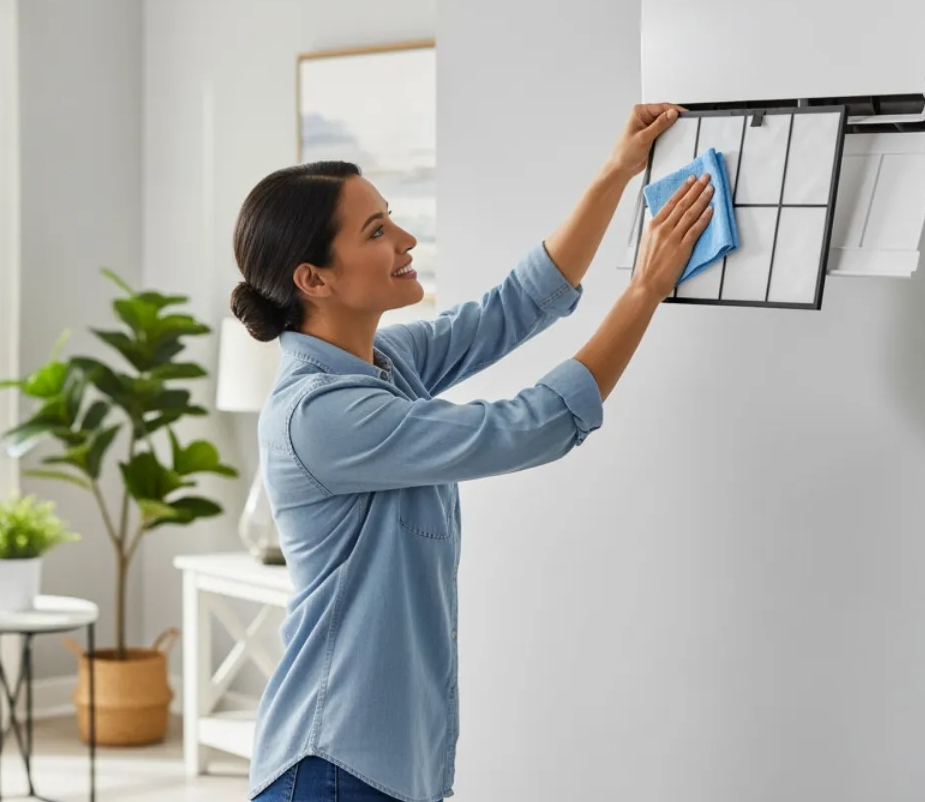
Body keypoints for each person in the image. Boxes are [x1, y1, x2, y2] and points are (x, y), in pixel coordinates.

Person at [232, 103, 715, 802]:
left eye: (392, 216)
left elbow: (514, 306)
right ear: (315, 279)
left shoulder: (383, 365)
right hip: (334, 768)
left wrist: (618, 172)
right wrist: (644, 289)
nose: (404, 239)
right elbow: (529, 426)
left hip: (390, 766)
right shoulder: (321, 415)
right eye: (376, 231)